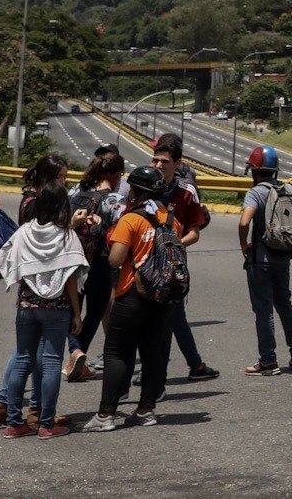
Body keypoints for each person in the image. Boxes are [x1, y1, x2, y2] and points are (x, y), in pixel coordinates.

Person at [82, 166, 184, 431]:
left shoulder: (131, 219)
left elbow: (115, 259)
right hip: (163, 294)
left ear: (135, 190)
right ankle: (146, 410)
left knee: (117, 352)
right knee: (152, 351)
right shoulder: (172, 218)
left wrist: (103, 235)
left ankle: (105, 416)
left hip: (133, 292)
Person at [0, 181, 87, 439]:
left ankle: (14, 422)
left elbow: (6, 258)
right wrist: (77, 314)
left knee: (23, 360)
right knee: (51, 363)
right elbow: (71, 277)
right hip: (57, 309)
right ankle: (46, 424)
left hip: (26, 305)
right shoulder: (67, 235)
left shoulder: (24, 232)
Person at [238, 144, 292, 376]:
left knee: (264, 311)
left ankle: (268, 361)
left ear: (255, 171)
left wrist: (244, 245)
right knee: (285, 305)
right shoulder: (288, 188)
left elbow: (243, 222)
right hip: (283, 257)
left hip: (261, 259)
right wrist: (290, 237)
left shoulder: (256, 192)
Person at [151, 135, 218, 382]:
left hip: (173, 263)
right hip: (144, 264)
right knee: (159, 318)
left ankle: (158, 374)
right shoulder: (143, 184)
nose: (158, 165)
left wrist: (171, 245)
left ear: (177, 163)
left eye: (164, 161)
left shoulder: (186, 191)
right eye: (155, 160)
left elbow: (194, 232)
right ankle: (186, 365)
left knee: (172, 314)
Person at [64, 151, 126, 381]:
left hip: (74, 260)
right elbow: (121, 232)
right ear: (117, 175)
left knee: (73, 309)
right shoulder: (115, 200)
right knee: (97, 310)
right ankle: (78, 353)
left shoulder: (76, 192)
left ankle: (75, 352)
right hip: (100, 261)